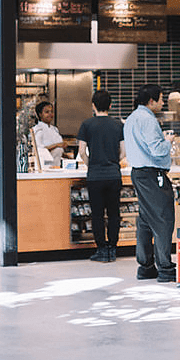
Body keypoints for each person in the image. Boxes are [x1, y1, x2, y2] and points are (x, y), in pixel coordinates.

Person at [123, 84, 180, 283]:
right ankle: (166, 268)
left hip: (139, 173)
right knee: (163, 220)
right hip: (153, 175)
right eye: (161, 99)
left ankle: (145, 267)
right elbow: (157, 150)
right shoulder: (148, 120)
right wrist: (168, 140)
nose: (162, 103)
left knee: (145, 220)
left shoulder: (131, 118)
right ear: (151, 101)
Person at [77, 90, 125, 263]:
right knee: (114, 214)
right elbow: (123, 152)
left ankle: (102, 250)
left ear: (93, 106)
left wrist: (91, 164)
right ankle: (113, 249)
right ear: (110, 105)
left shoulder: (86, 124)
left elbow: (81, 151)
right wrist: (113, 161)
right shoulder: (118, 125)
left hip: (95, 176)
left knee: (97, 214)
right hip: (114, 175)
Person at [32, 101, 69, 168]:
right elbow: (38, 150)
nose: (50, 114)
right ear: (40, 114)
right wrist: (57, 145)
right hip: (45, 165)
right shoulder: (37, 129)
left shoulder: (54, 129)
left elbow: (59, 150)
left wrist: (68, 157)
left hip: (57, 164)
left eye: (51, 112)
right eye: (47, 112)